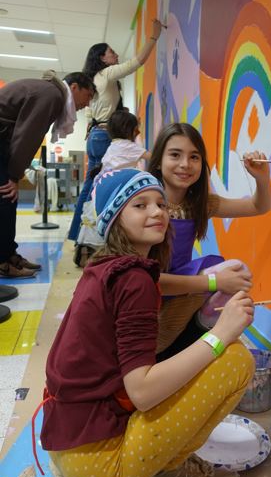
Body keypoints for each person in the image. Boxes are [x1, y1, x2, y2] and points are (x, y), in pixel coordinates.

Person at [40, 168, 255, 477]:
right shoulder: (135, 280)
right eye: (139, 205)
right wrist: (221, 334)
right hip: (99, 466)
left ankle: (78, 475)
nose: (157, 211)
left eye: (159, 203)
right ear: (114, 219)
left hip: (66, 434)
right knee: (235, 360)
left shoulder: (106, 267)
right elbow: (141, 391)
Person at [147, 122, 271, 355]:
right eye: (175, 155)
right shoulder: (145, 203)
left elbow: (258, 205)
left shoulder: (199, 204)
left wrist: (262, 178)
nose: (185, 164)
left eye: (194, 157)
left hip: (182, 281)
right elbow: (145, 278)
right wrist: (214, 281)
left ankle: (200, 328)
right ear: (158, 160)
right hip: (147, 288)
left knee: (236, 270)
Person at [67, 19, 163, 242]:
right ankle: (95, 236)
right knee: (102, 186)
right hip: (103, 135)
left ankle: (78, 234)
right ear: (102, 58)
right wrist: (154, 37)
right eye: (111, 52)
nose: (116, 55)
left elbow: (90, 112)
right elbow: (136, 63)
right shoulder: (107, 74)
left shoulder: (92, 80)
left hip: (94, 135)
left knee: (91, 185)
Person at [0, 71, 94, 281]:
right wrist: (15, 176)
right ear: (75, 87)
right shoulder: (52, 95)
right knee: (6, 197)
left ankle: (9, 255)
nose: (87, 104)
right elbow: (28, 135)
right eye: (88, 96)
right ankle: (4, 262)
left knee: (8, 200)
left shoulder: (51, 93)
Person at [73, 110, 151, 266]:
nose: (139, 131)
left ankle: (86, 249)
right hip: (114, 188)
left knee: (96, 218)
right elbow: (152, 157)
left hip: (101, 185)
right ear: (128, 130)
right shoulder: (129, 146)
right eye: (136, 128)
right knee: (115, 220)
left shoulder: (114, 144)